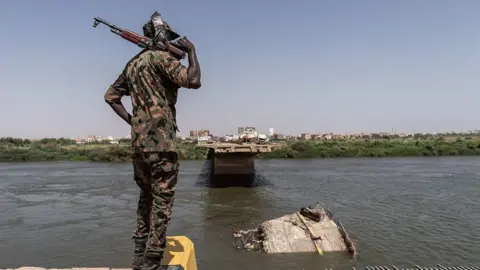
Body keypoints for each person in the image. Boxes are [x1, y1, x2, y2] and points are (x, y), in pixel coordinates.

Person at [103, 16, 201, 270]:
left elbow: (111, 97)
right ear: (163, 37)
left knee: (145, 199)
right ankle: (152, 261)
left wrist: (134, 122)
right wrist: (191, 51)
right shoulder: (161, 58)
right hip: (162, 145)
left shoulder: (133, 65)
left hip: (139, 146)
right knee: (161, 203)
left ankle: (139, 256)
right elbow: (194, 81)